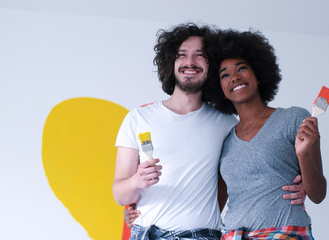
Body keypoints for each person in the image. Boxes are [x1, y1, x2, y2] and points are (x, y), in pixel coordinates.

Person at [113, 23, 305, 240]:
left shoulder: (226, 123)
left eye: (199, 55)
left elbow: (255, 166)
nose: (190, 62)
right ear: (170, 63)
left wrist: (301, 185)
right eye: (182, 55)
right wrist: (136, 181)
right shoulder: (138, 119)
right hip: (145, 233)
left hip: (200, 235)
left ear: (211, 65)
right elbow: (120, 194)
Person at [204, 29, 326, 239]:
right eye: (225, 75)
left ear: (259, 76)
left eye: (242, 68)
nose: (234, 77)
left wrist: (302, 155)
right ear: (220, 89)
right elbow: (213, 204)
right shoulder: (223, 138)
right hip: (233, 234)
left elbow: (317, 194)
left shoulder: (295, 118)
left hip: (285, 232)